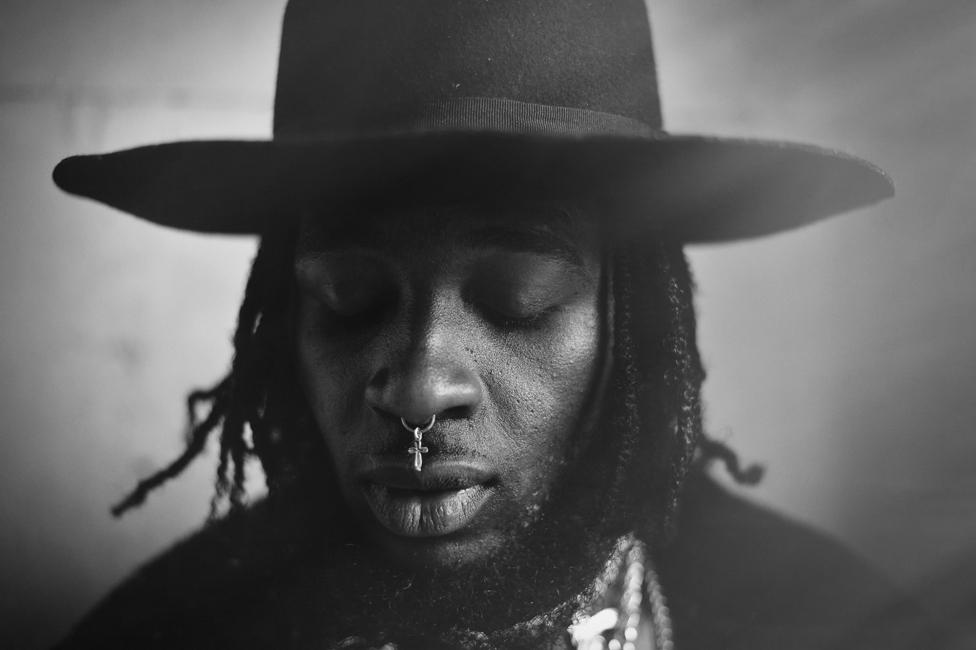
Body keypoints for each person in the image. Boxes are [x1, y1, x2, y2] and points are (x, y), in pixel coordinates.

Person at [50, 0, 940, 648]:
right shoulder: (163, 630)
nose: (419, 386)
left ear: (631, 323)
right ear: (284, 317)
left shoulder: (838, 626)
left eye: (518, 301)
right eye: (348, 302)